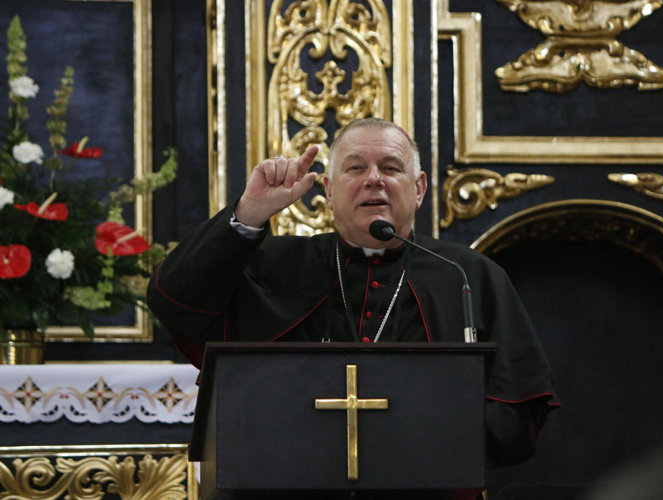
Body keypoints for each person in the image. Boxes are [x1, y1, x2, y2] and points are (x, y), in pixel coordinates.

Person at [147, 118, 559, 469]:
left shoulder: (468, 275)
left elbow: (515, 416)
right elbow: (173, 300)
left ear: (418, 189)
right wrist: (249, 212)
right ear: (328, 188)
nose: (374, 179)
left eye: (391, 167)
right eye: (355, 167)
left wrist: (422, 442)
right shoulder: (270, 264)